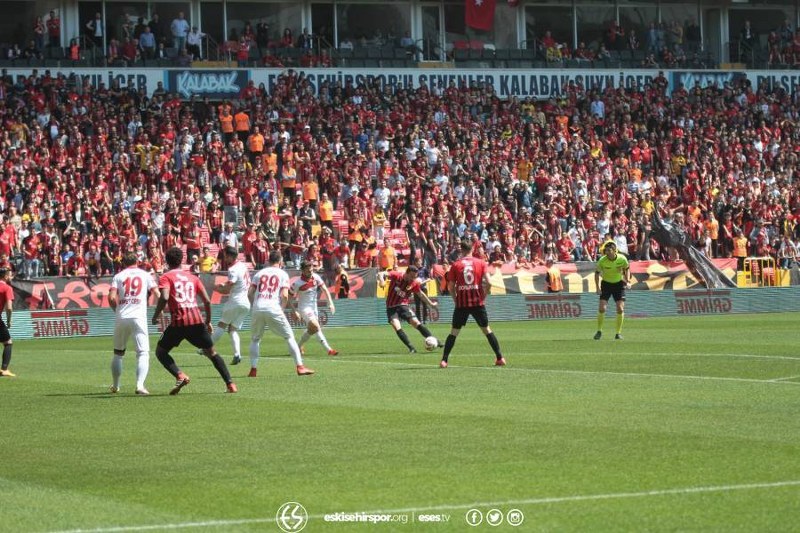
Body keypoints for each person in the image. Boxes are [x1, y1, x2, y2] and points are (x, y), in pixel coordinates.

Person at [151, 247, 237, 394]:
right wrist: (208, 321)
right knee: (212, 353)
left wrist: (156, 314)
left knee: (160, 352)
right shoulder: (193, 277)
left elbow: (164, 297)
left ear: (167, 261)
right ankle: (230, 384)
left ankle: (180, 375)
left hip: (178, 322)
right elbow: (207, 301)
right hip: (196, 321)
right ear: (182, 261)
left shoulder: (166, 277)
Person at [439, 240, 505, 368]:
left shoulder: (456, 265)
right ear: (473, 249)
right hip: (477, 302)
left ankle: (444, 361)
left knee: (454, 332)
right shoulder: (481, 263)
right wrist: (483, 296)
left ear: (461, 250)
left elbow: (450, 286)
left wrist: (455, 300)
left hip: (461, 304)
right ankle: (500, 358)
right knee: (487, 330)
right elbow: (489, 283)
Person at [248, 251, 315, 377]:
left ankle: (253, 369)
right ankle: (300, 367)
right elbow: (284, 295)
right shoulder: (283, 274)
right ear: (280, 261)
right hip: (273, 307)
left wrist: (255, 305)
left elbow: (249, 293)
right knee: (289, 337)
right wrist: (282, 310)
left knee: (255, 339)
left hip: (258, 307)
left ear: (269, 260)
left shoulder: (259, 273)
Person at [108, 252, 160, 395]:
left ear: (123, 263)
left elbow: (112, 297)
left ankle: (116, 385)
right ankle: (139, 385)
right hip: (138, 317)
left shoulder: (118, 276)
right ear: (137, 261)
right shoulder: (145, 275)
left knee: (118, 353)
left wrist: (117, 310)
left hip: (122, 316)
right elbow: (157, 293)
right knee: (143, 352)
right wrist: (160, 309)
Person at [378, 265, 439, 354]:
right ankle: (411, 348)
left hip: (403, 305)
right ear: (406, 273)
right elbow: (380, 273)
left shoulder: (413, 283)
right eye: (411, 276)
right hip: (391, 307)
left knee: (416, 322)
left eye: (415, 277)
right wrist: (382, 281)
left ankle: (435, 341)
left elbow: (421, 294)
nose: (413, 279)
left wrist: (431, 304)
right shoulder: (397, 275)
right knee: (396, 326)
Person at [205, 246, 250, 365]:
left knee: (221, 325)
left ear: (230, 256)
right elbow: (236, 282)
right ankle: (237, 354)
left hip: (235, 301)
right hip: (245, 303)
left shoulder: (233, 270)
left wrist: (215, 288)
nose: (224, 258)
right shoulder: (243, 266)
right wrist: (224, 284)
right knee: (232, 329)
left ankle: (206, 348)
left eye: (225, 255)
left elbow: (226, 290)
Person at [291, 260, 338, 357]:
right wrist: (294, 310)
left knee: (312, 329)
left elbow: (324, 289)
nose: (311, 272)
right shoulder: (297, 283)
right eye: (308, 271)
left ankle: (297, 346)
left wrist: (331, 303)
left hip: (314, 307)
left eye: (312, 270)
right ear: (303, 271)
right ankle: (329, 349)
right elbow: (288, 297)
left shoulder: (316, 277)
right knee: (316, 327)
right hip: (304, 308)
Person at [593, 241, 630, 341]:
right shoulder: (602, 260)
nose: (607, 252)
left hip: (618, 285)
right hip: (606, 284)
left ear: (615, 251)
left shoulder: (622, 259)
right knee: (602, 308)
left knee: (620, 309)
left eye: (609, 250)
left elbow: (627, 268)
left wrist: (628, 280)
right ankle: (599, 331)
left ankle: (618, 333)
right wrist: (597, 288)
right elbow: (596, 274)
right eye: (606, 250)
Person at [0, 268, 14, 377]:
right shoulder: (7, 288)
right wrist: (9, 320)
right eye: (9, 275)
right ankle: (4, 369)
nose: (11, 277)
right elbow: (9, 308)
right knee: (8, 342)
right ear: (5, 276)